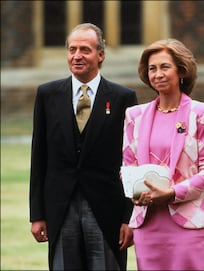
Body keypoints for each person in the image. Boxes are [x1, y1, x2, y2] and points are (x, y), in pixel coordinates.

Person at [29, 23, 138, 270]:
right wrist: (37, 214)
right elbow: (39, 157)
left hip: (106, 209)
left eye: (85, 50)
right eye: (72, 49)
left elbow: (131, 161)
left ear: (100, 55)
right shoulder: (47, 94)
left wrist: (128, 217)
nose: (77, 55)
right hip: (60, 208)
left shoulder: (123, 98)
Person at [122, 38, 204, 270]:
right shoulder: (133, 115)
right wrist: (134, 191)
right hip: (147, 222)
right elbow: (128, 167)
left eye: (165, 67)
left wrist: (171, 193)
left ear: (181, 71)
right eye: (152, 68)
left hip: (189, 221)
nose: (158, 73)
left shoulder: (203, 114)